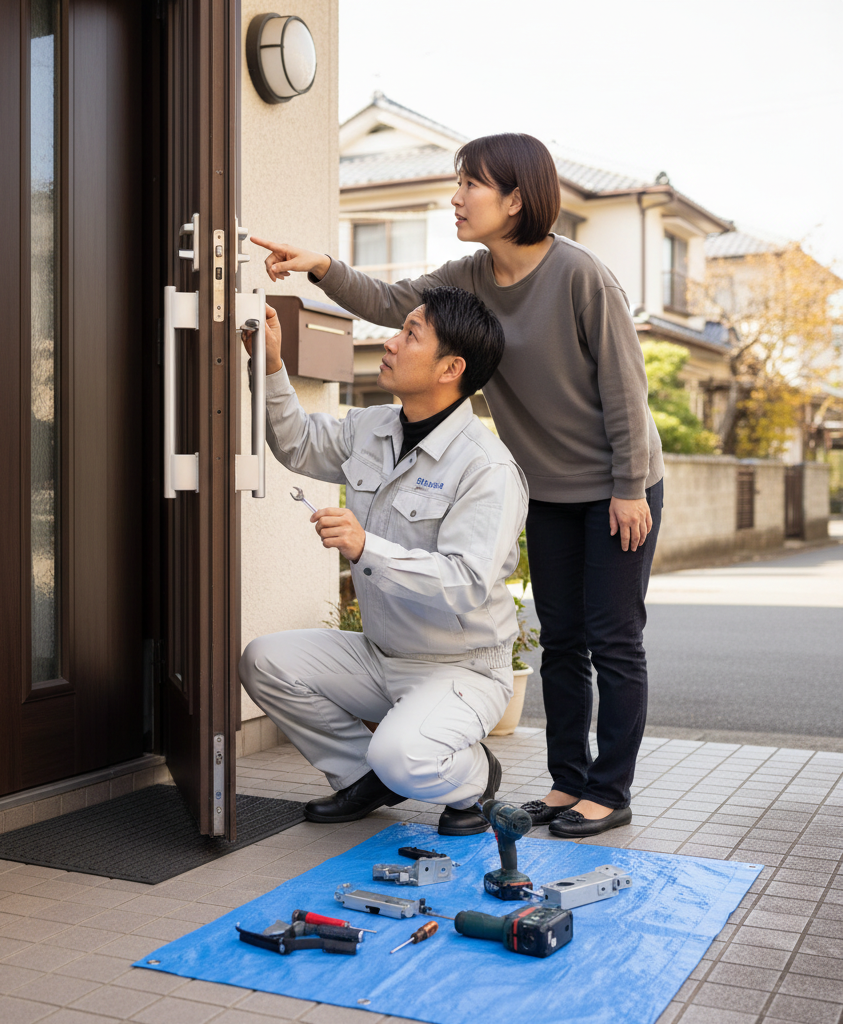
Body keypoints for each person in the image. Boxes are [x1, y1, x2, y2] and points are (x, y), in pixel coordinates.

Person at [251, 132, 664, 839]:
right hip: (548, 489)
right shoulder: (470, 276)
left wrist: (628, 485)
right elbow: (391, 301)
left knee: (614, 638)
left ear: (516, 199)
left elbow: (625, 385)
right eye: (459, 181)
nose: (457, 196)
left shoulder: (580, 275)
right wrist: (321, 266)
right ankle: (568, 782)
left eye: (471, 183)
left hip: (617, 485)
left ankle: (609, 790)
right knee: (563, 639)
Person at [239, 286, 527, 836]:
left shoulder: (486, 469)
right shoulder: (370, 427)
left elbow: (466, 582)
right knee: (264, 660)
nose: (391, 343)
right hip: (381, 654)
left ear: (451, 368)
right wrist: (271, 365)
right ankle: (364, 777)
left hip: (461, 668)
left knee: (404, 755)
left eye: (410, 334)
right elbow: (297, 443)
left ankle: (474, 776)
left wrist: (366, 546)